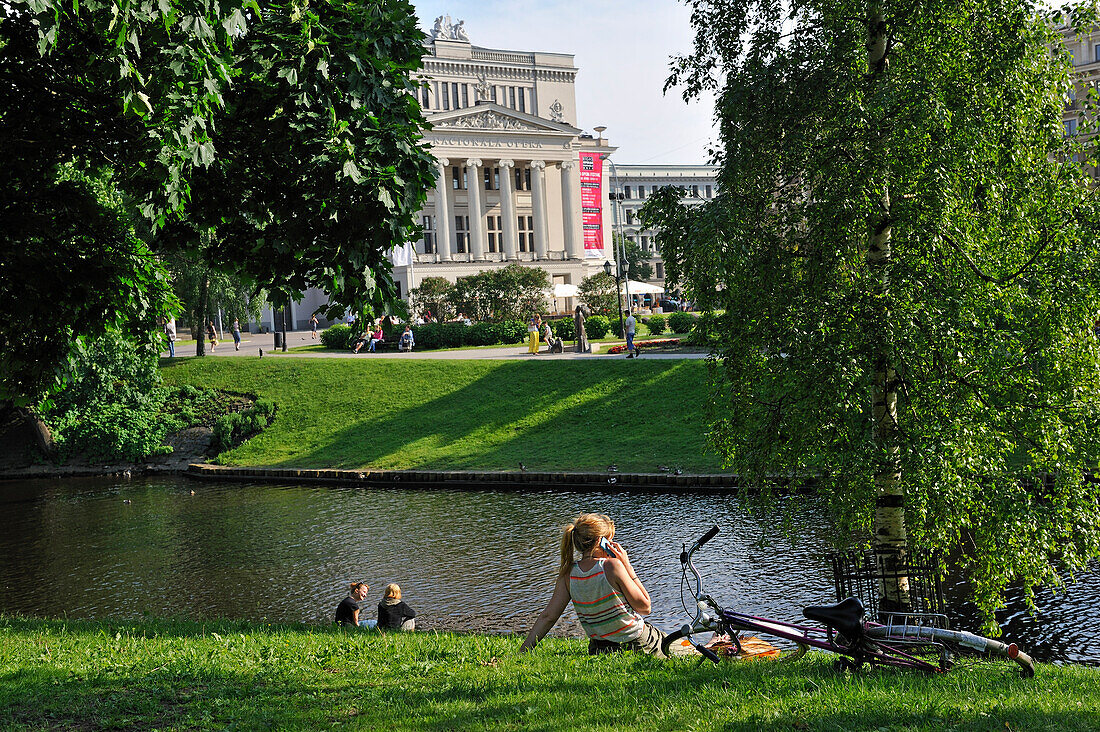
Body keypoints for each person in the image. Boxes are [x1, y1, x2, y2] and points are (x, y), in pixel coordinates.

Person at [520, 513, 664, 656]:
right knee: (682, 645)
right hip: (637, 643)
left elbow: (548, 616)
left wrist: (522, 652)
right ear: (601, 542)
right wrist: (628, 567)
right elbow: (645, 607)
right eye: (610, 541)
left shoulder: (568, 573)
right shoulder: (612, 566)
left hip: (599, 650)